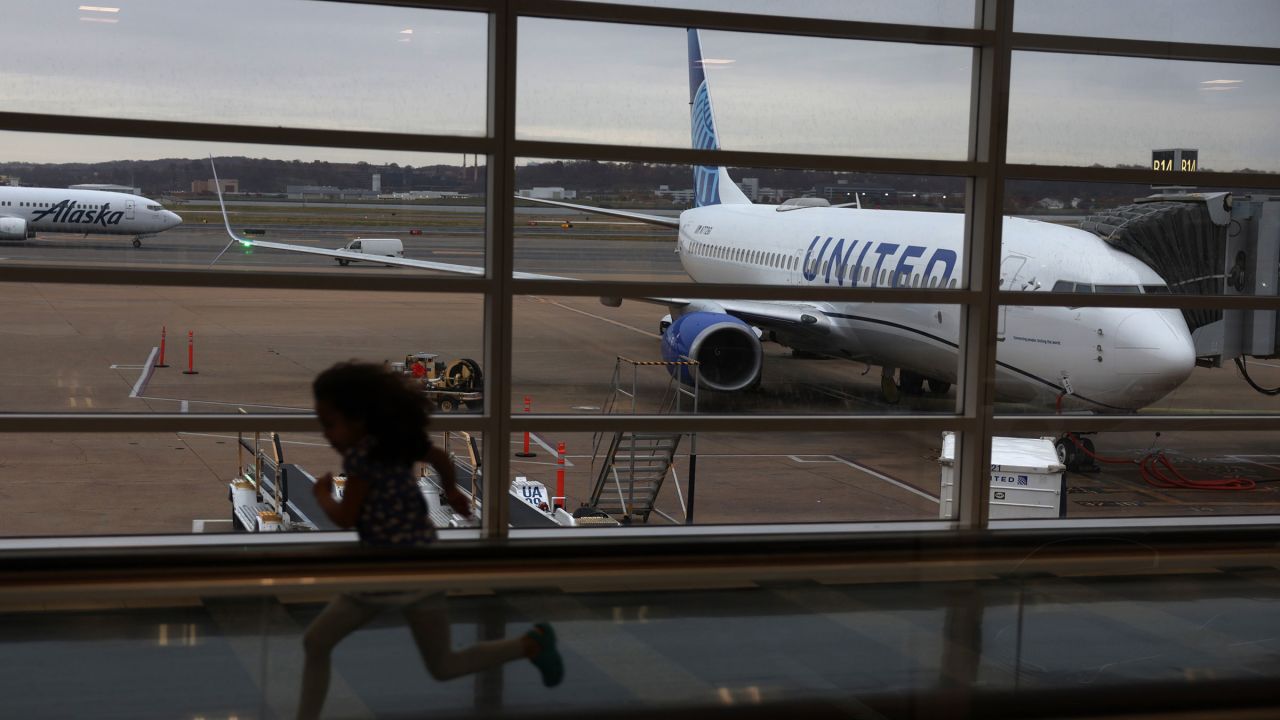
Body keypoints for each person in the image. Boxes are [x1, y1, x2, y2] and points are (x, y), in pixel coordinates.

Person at [298, 361, 563, 720]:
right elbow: (437, 456)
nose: (326, 434)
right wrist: (451, 489)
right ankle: (530, 644)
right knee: (443, 665)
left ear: (358, 419)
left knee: (316, 642)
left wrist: (323, 494)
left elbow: (346, 519)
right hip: (417, 568)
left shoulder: (363, 459)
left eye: (330, 423)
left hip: (387, 575)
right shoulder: (395, 443)